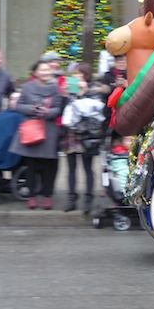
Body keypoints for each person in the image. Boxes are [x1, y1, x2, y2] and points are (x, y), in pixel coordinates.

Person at [9, 61, 64, 210]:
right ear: (36, 72)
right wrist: (32, 109)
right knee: (31, 166)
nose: (46, 72)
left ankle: (48, 195)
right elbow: (18, 106)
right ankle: (31, 196)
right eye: (42, 70)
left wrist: (48, 112)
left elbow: (59, 108)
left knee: (49, 166)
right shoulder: (27, 87)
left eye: (48, 70)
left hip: (50, 130)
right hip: (32, 131)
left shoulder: (56, 88)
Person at [61, 63, 105, 214]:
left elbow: (95, 111)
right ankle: (71, 199)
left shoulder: (93, 88)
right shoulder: (70, 89)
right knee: (71, 168)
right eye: (75, 74)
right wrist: (65, 95)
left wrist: (82, 93)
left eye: (79, 74)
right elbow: (65, 110)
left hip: (87, 134)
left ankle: (88, 200)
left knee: (88, 168)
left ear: (86, 74)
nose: (77, 77)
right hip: (72, 134)